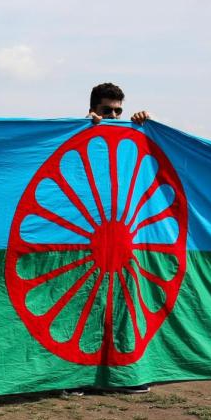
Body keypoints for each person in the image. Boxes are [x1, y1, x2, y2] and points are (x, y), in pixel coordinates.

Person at [61, 83, 151, 397]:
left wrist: (143, 126)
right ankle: (75, 377)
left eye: (118, 111)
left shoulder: (132, 136)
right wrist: (83, 127)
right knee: (84, 308)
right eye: (106, 111)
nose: (113, 116)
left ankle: (123, 374)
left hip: (123, 238)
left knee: (122, 308)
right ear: (93, 109)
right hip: (82, 240)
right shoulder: (75, 136)